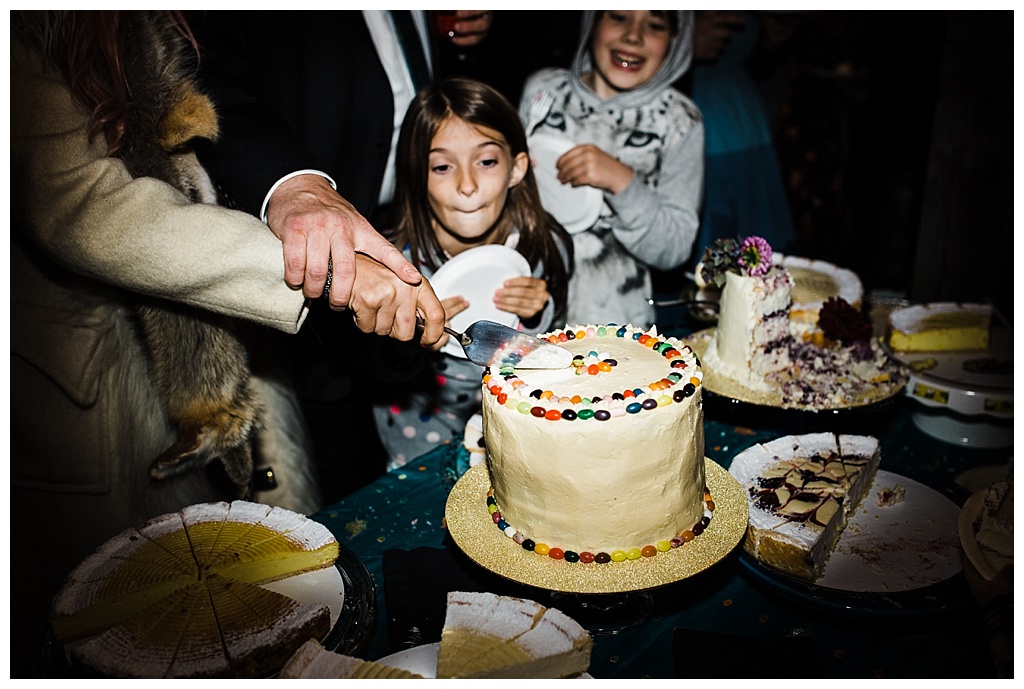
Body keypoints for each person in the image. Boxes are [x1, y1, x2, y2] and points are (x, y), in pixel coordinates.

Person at [10, 10, 443, 676]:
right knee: (133, 630)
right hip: (100, 388)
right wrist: (326, 270)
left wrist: (302, 198)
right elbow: (86, 208)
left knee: (267, 614)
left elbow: (227, 107)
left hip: (229, 346)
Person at [188, 11, 492, 497]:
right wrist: (294, 186)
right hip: (311, 240)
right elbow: (207, 68)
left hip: (409, 219)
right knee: (331, 461)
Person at [370, 78, 574, 468]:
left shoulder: (543, 246)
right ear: (416, 175)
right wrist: (407, 343)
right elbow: (376, 368)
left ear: (516, 169)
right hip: (421, 437)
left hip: (518, 434)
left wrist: (538, 313)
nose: (467, 185)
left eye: (486, 161)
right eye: (443, 166)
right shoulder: (393, 265)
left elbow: (554, 351)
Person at [518, 10, 703, 329]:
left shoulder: (680, 120)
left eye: (655, 25)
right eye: (618, 16)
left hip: (616, 328)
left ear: (677, 39)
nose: (634, 35)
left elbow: (674, 249)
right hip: (527, 311)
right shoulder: (543, 92)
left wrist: (623, 182)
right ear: (591, 20)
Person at [684, 10, 796, 268]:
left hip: (743, 121)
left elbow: (757, 55)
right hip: (695, 123)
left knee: (761, 269)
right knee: (711, 271)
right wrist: (679, 44)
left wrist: (779, 29)